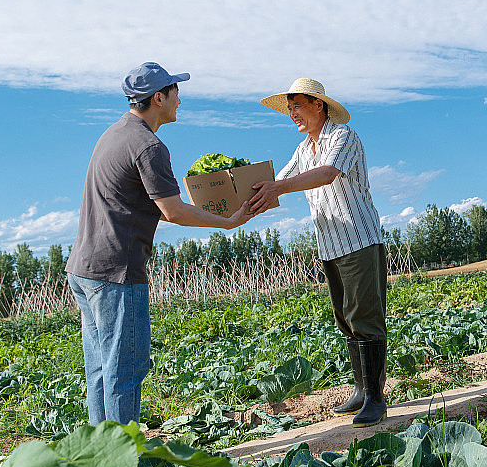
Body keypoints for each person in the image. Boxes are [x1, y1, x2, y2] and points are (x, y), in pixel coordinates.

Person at [66, 62, 252, 426]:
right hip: (117, 272)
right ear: (158, 97)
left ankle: (103, 457)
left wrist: (207, 212)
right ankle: (125, 461)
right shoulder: (149, 146)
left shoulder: (113, 134)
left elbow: (157, 208)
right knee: (125, 370)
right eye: (175, 92)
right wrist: (228, 222)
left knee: (101, 369)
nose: (179, 99)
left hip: (84, 269)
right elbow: (174, 210)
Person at [250, 78, 388, 427]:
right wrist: (239, 205)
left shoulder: (343, 136)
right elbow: (279, 184)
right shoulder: (303, 150)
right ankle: (360, 390)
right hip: (330, 244)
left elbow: (326, 174)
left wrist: (277, 186)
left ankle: (375, 397)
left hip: (358, 239)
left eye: (297, 105)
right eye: (289, 107)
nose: (292, 112)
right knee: (345, 317)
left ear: (319, 106)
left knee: (364, 317)